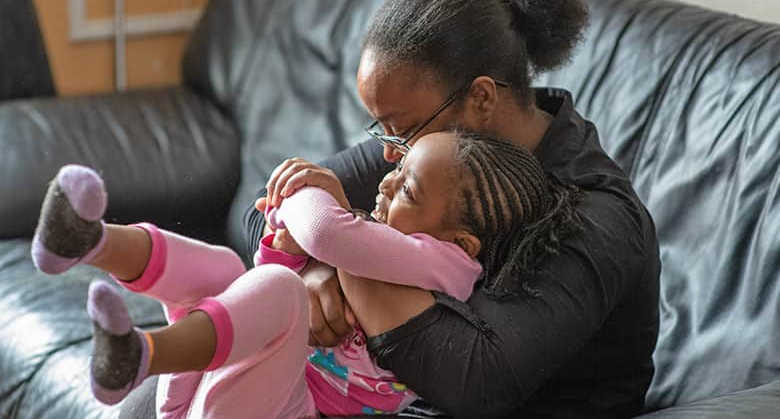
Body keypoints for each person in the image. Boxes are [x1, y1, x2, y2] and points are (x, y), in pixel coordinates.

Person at [242, 0, 661, 418]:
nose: (388, 155)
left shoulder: (594, 214)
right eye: (383, 131)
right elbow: (269, 201)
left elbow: (478, 383)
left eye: (401, 130)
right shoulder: (431, 148)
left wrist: (343, 254)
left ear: (481, 97)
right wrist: (314, 267)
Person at [31, 130, 582, 418]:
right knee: (229, 269)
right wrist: (283, 242)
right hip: (231, 397)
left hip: (291, 410)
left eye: (409, 187)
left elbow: (327, 234)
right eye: (398, 168)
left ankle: (138, 356)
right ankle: (91, 241)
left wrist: (311, 192)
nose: (386, 183)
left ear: (460, 242)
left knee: (280, 293)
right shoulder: (382, 239)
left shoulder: (449, 269)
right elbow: (281, 265)